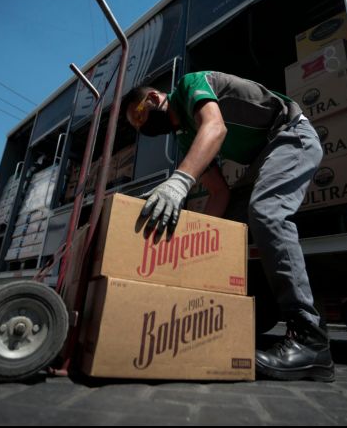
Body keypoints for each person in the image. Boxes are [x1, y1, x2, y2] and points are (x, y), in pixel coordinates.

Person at [122, 71, 334, 382]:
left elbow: (215, 127)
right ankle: (221, 316)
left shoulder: (190, 85)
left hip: (291, 135)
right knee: (230, 227)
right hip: (264, 157)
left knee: (267, 212)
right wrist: (197, 249)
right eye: (137, 127)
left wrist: (179, 181)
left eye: (140, 116)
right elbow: (219, 193)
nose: (142, 127)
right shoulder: (183, 137)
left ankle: (310, 338)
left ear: (153, 98)